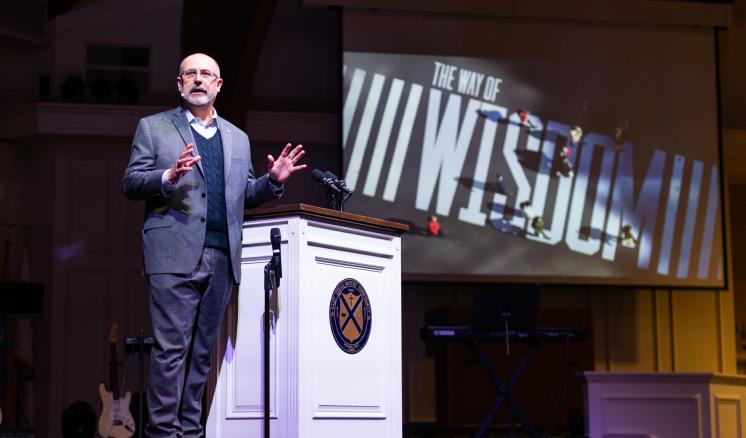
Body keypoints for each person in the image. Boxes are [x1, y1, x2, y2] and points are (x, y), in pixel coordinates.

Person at [122, 53, 306, 437]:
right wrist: (168, 176)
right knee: (171, 352)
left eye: (207, 74)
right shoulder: (154, 128)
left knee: (202, 355)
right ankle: (161, 432)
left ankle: (191, 432)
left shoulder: (237, 138)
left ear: (219, 85)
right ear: (179, 84)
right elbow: (132, 182)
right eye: (191, 73)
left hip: (222, 258)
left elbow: (244, 194)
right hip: (173, 255)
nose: (198, 79)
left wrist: (272, 181)